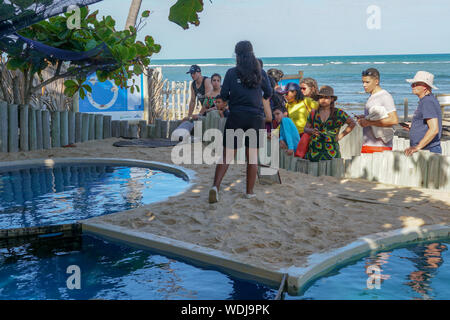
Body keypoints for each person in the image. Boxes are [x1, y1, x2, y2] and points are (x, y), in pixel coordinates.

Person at [209, 40, 272, 203]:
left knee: (227, 155)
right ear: (252, 54)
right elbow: (269, 92)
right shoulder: (260, 72)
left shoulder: (231, 73)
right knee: (252, 157)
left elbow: (223, 96)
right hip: (255, 118)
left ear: (237, 55)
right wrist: (260, 97)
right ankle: (249, 192)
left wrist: (232, 98)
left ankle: (215, 187)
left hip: (236, 116)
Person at [303, 86, 356, 161]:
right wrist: (311, 131)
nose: (323, 100)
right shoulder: (313, 113)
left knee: (333, 171)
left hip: (332, 151)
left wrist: (340, 136)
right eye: (321, 97)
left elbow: (352, 123)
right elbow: (305, 128)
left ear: (332, 99)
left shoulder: (338, 113)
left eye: (326, 97)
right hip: (314, 151)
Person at [357, 68, 399, 153]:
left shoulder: (385, 96)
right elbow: (379, 115)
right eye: (363, 82)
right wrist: (365, 117)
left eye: (367, 82)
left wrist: (368, 122)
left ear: (376, 81)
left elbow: (394, 120)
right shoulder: (372, 96)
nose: (364, 85)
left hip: (380, 147)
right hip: (368, 144)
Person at [403, 71, 442, 155]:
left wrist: (418, 147)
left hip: (427, 150)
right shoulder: (426, 100)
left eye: (416, 84)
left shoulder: (427, 102)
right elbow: (428, 124)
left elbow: (434, 129)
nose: (412, 86)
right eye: (413, 84)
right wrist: (414, 126)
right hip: (426, 149)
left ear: (425, 86)